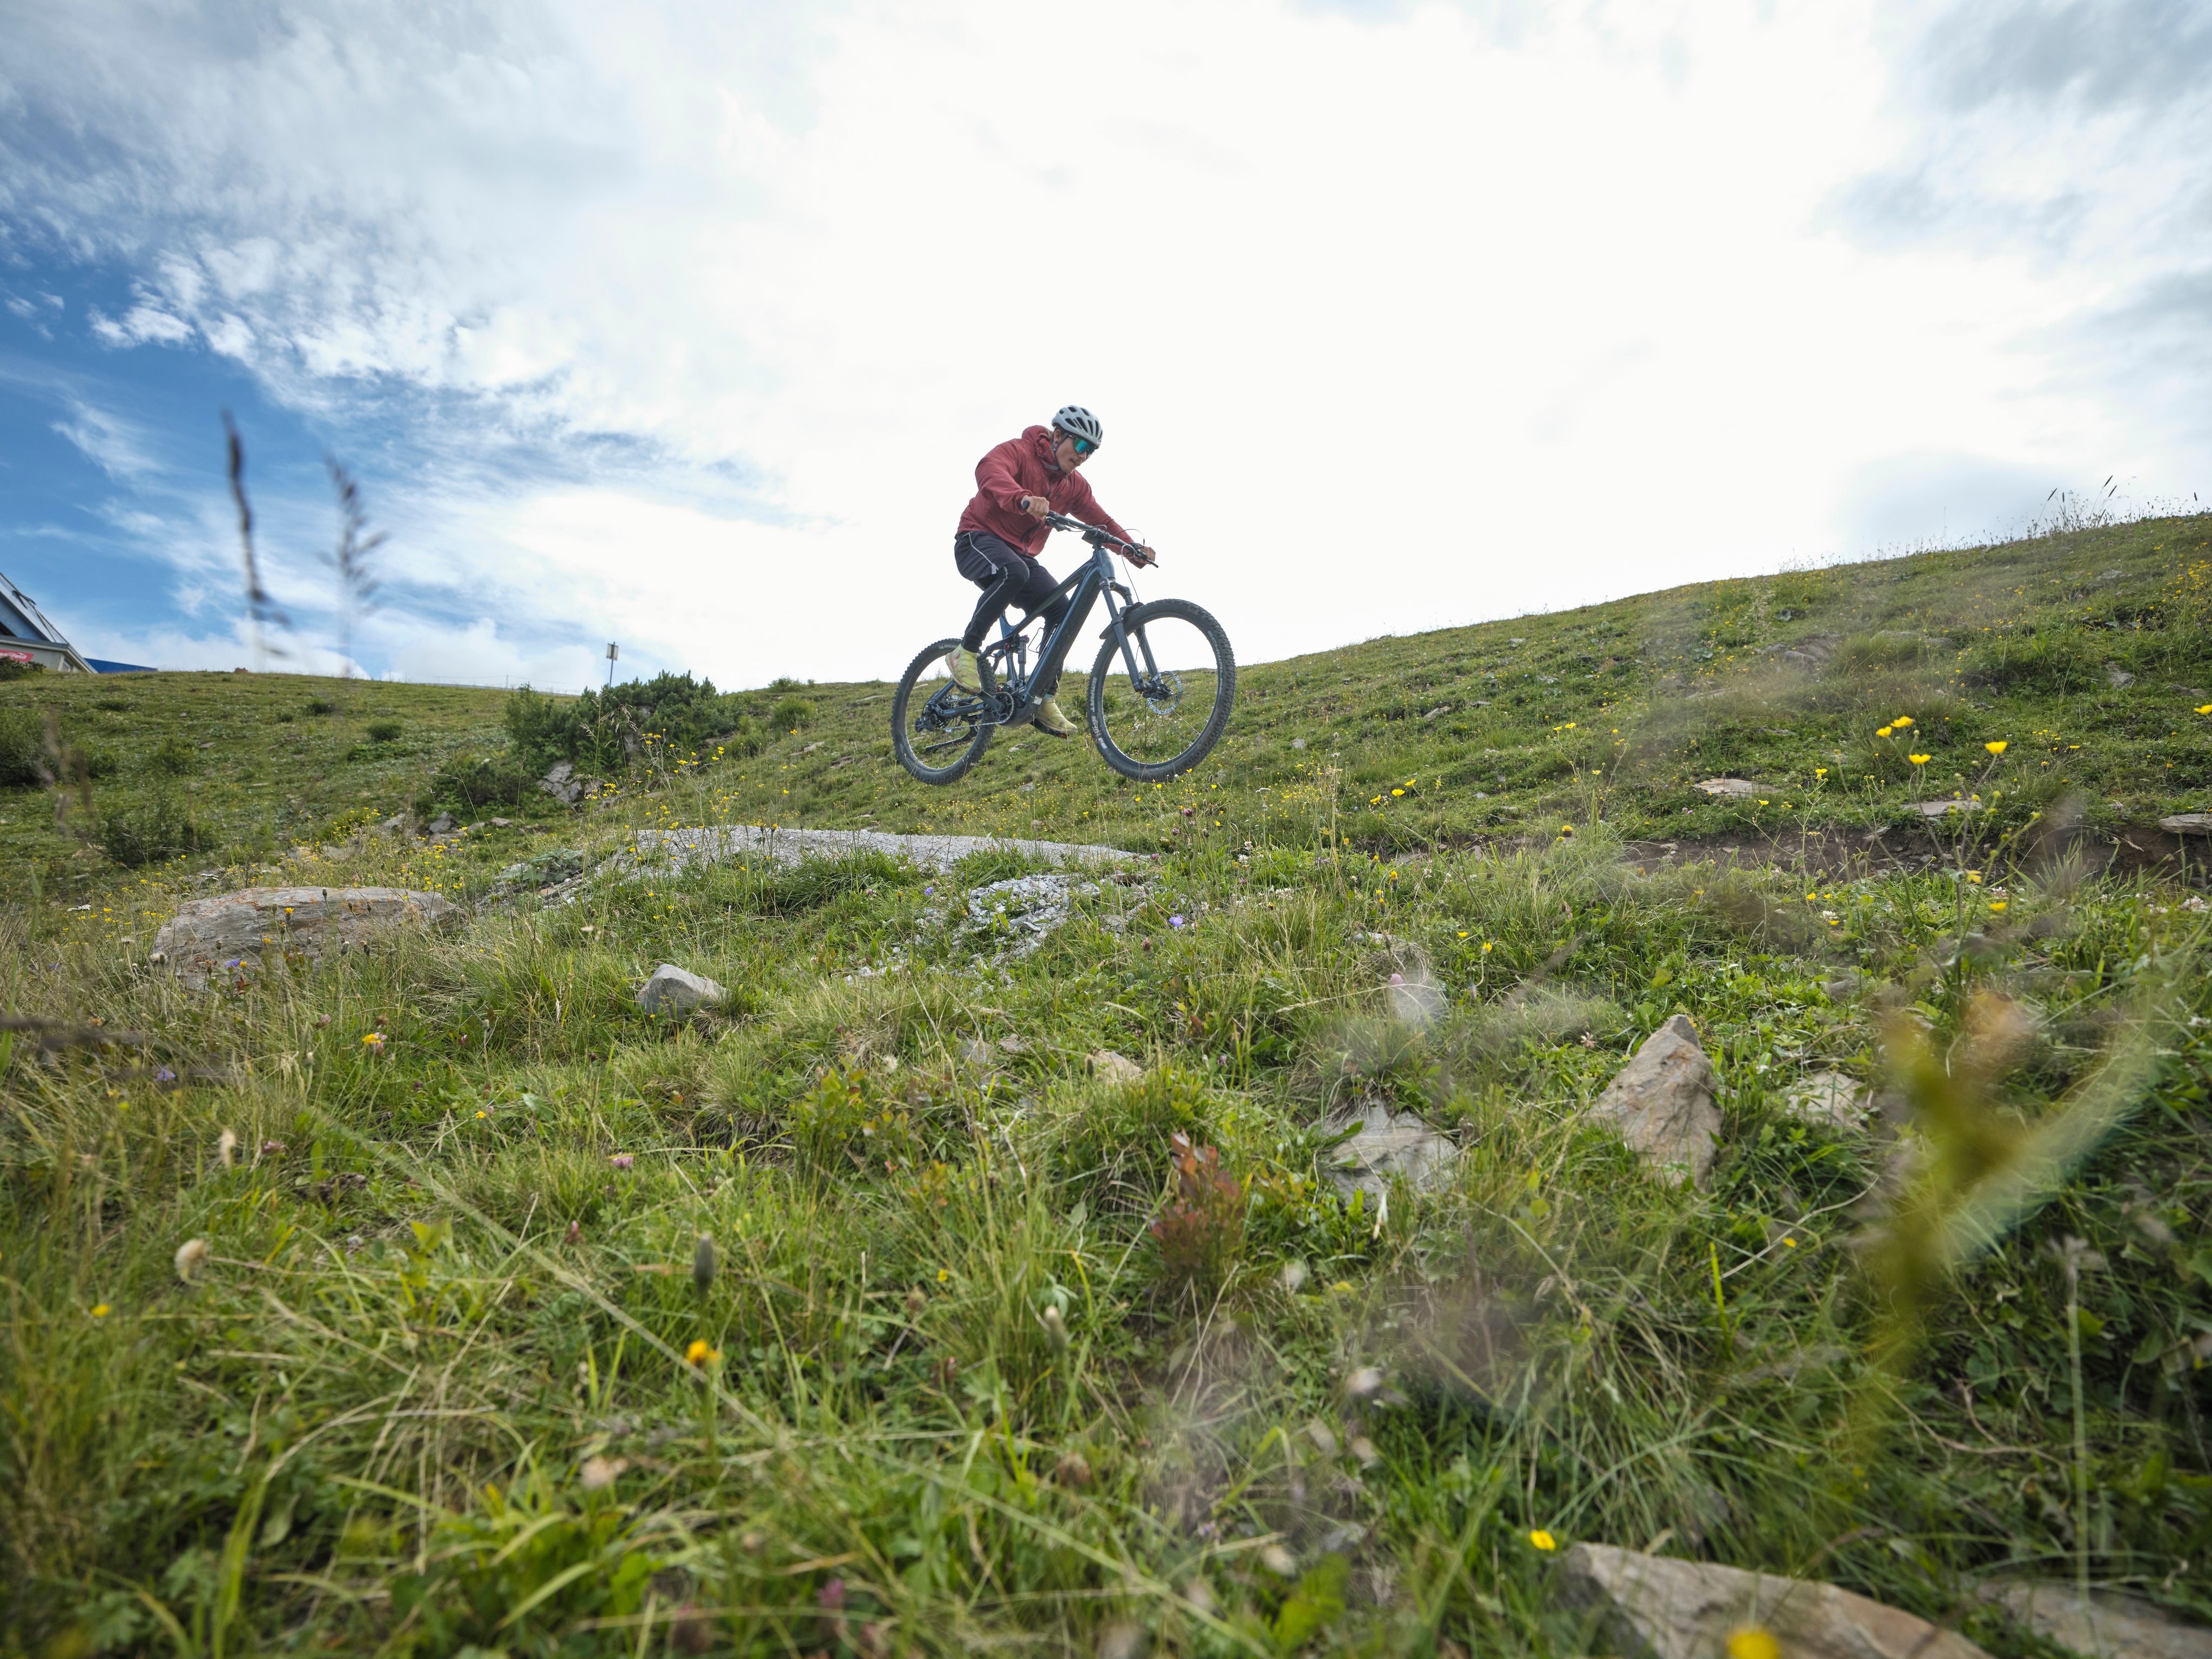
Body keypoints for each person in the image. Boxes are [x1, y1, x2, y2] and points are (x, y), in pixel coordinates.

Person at [949, 405, 1155, 737]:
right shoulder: (1020, 451)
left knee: (1062, 609)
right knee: (1015, 572)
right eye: (1081, 446)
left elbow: (1102, 521)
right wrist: (1023, 498)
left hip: (1020, 556)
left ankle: (1042, 696)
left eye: (1092, 452)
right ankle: (966, 652)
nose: (1084, 456)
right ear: (1058, 436)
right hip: (978, 537)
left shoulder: (1073, 486)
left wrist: (1130, 548)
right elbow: (989, 470)